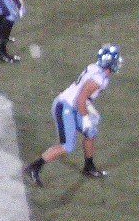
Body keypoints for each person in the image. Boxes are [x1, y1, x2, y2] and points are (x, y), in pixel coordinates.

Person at [24, 45, 122, 187]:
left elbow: (82, 95)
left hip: (74, 105)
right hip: (65, 106)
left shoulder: (95, 69)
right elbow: (81, 99)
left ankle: (88, 167)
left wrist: (90, 110)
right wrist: (86, 118)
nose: (118, 62)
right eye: (116, 60)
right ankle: (33, 168)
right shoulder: (99, 79)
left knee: (90, 132)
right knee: (67, 145)